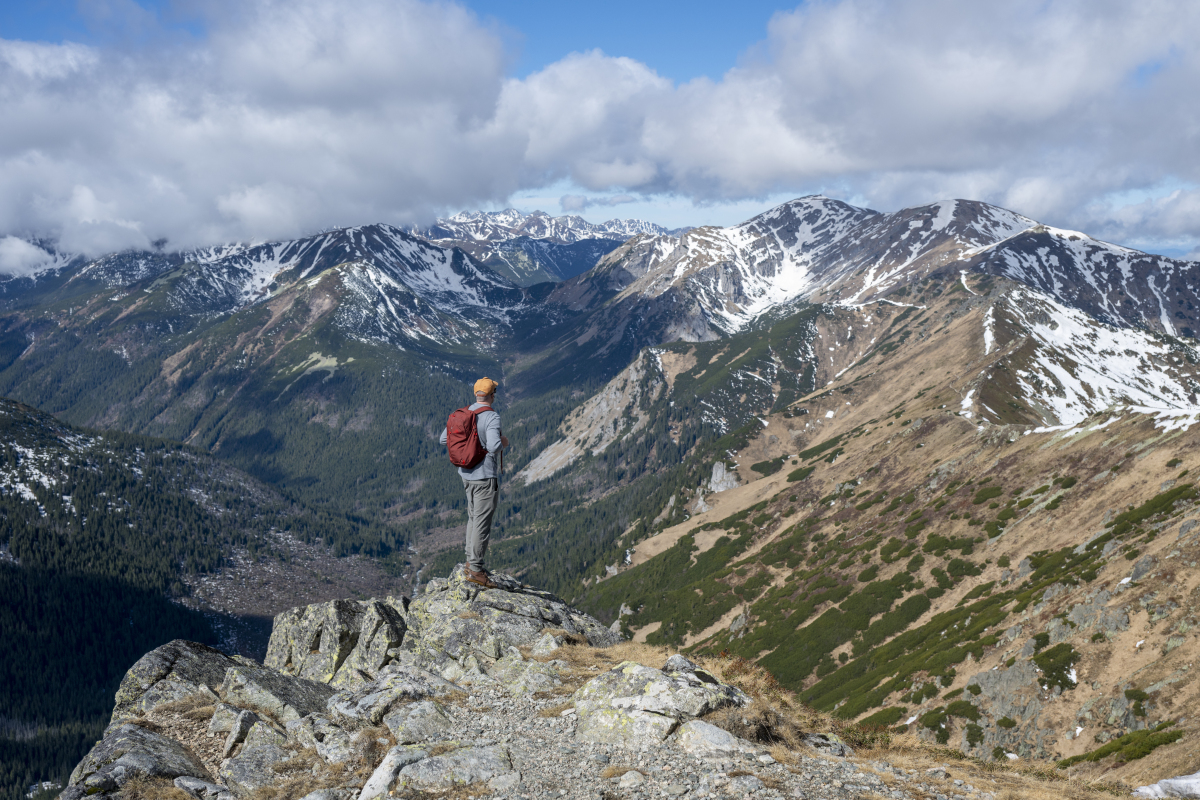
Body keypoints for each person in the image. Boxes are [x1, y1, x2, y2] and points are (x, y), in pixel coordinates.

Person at [439, 377, 509, 588]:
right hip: (485, 476)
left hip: (466, 474)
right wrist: (503, 442)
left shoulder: (463, 413)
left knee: (473, 517)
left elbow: (444, 439)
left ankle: (471, 561)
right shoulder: (491, 416)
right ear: (492, 395)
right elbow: (495, 445)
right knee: (482, 522)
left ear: (476, 394)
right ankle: (476, 570)